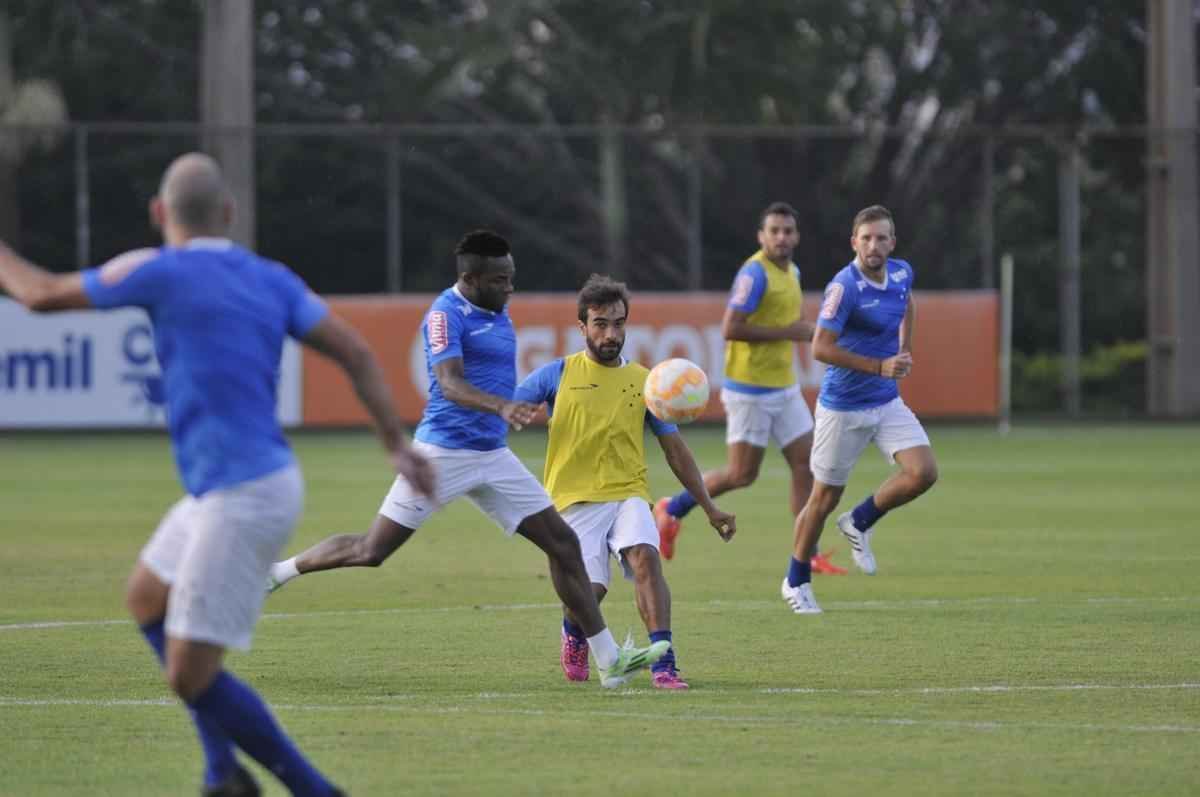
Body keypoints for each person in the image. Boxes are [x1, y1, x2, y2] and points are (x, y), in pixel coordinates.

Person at [0, 153, 433, 796]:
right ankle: (223, 773)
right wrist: (396, 443)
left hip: (244, 496)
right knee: (147, 598)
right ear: (229, 215)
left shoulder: (157, 270)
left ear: (158, 214)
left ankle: (315, 791)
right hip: (238, 487)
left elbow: (37, 295)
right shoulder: (272, 277)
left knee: (189, 675)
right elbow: (357, 350)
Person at [266, 230, 669, 688]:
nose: (510, 288)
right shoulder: (444, 314)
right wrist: (501, 406)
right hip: (444, 453)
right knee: (372, 550)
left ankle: (609, 661)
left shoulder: (498, 310)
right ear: (471, 278)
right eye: (501, 280)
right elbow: (449, 382)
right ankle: (278, 573)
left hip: (492, 456)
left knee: (563, 544)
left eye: (512, 278)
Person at [514, 274, 736, 690]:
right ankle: (574, 631)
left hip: (629, 494)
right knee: (589, 591)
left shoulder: (646, 383)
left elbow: (676, 452)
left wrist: (709, 507)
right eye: (600, 323)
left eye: (618, 323)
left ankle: (663, 663)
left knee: (646, 560)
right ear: (582, 327)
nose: (611, 333)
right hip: (573, 501)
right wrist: (512, 412)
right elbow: (508, 407)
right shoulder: (556, 375)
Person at [655, 202, 845, 574]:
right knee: (742, 474)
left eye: (788, 231)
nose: (781, 237)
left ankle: (807, 552)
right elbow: (731, 328)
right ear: (762, 236)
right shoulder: (754, 273)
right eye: (774, 231)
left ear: (797, 236)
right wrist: (789, 332)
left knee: (807, 464)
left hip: (784, 386)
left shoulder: (793, 271)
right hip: (749, 390)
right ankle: (670, 509)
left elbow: (788, 321)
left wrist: (805, 330)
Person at [781, 205, 939, 614]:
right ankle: (795, 579)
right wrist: (880, 366)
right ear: (854, 242)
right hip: (842, 408)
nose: (874, 245)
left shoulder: (901, 272)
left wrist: (904, 351)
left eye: (881, 238)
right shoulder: (844, 287)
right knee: (822, 499)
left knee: (923, 472)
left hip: (885, 401)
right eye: (866, 238)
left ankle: (860, 521)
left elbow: (908, 305)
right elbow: (820, 348)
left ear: (892, 242)